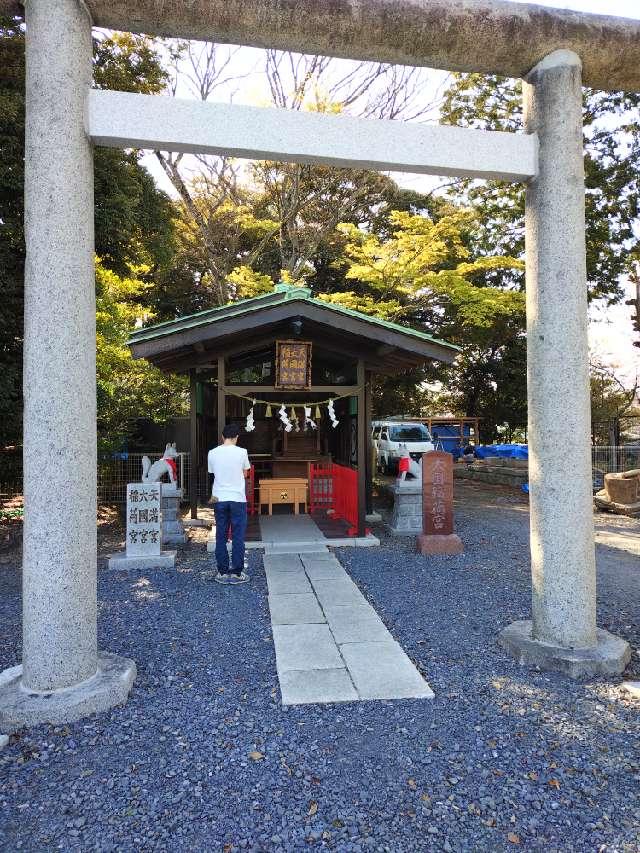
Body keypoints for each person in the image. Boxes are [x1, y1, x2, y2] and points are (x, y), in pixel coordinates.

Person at [207, 423, 251, 584]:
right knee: (238, 536)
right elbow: (245, 473)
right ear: (237, 437)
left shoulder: (212, 453)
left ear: (222, 437)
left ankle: (222, 572)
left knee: (221, 535)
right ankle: (238, 573)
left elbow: (212, 472)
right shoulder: (242, 452)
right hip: (237, 498)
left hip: (219, 497)